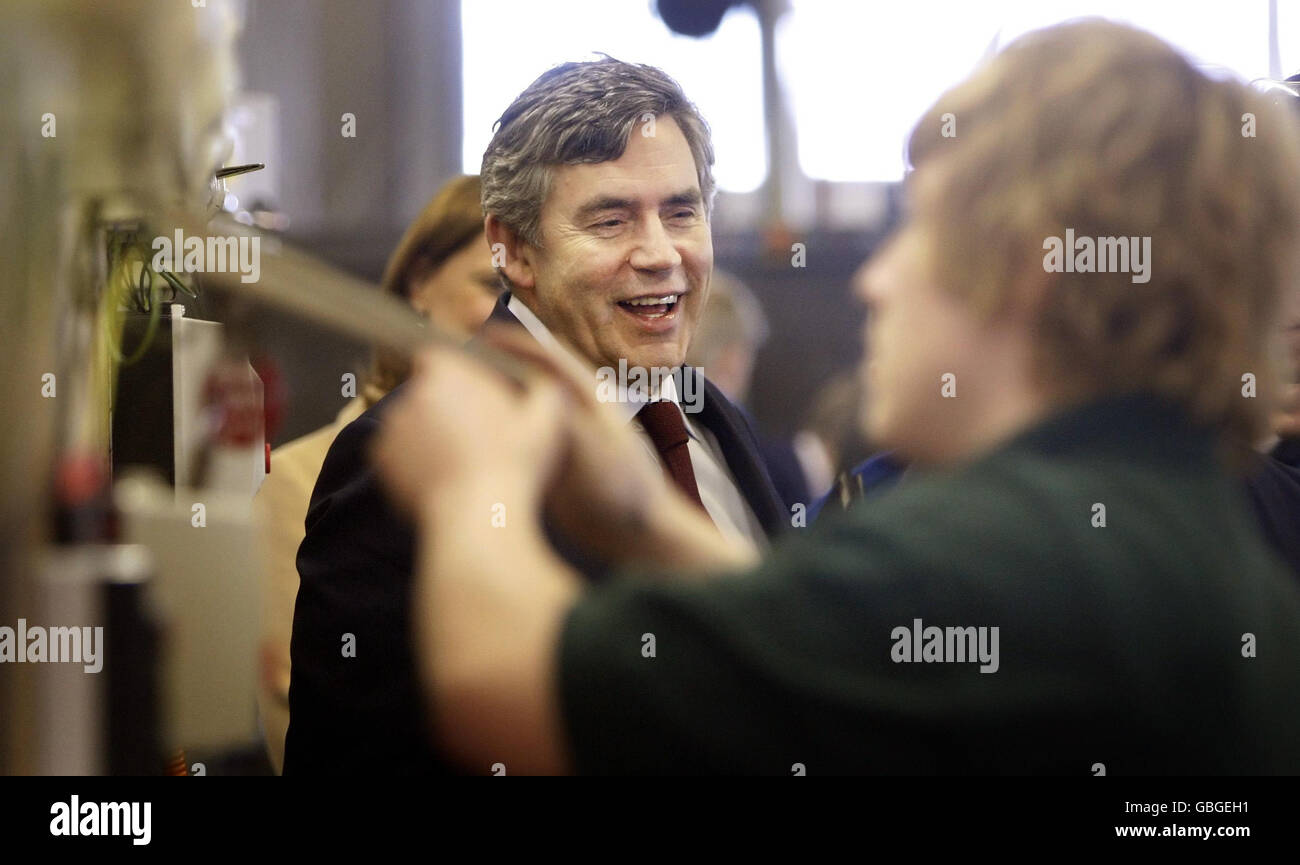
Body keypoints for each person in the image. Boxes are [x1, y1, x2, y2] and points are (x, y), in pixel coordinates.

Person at [374, 20, 1300, 774]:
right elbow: (819, 651)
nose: (874, 282)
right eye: (612, 217)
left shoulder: (1000, 544)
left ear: (1027, 271)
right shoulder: (1172, 513)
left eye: (920, 233)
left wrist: (468, 486)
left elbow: (509, 689)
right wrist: (646, 526)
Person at [284, 59, 786, 774]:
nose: (659, 253)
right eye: (610, 220)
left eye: (681, 211)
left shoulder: (717, 420)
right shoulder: (403, 455)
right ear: (512, 250)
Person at [255, 175, 495, 773]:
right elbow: (298, 714)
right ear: (418, 284)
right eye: (492, 285)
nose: (511, 316)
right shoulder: (296, 479)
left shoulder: (549, 470)